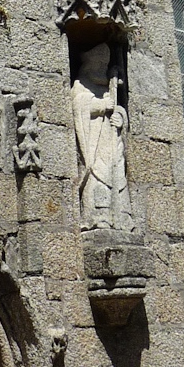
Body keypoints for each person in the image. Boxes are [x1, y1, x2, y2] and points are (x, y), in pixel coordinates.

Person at [72, 42, 132, 231]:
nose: (102, 69)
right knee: (98, 177)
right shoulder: (81, 86)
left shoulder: (110, 88)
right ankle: (99, 217)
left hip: (112, 144)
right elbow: (79, 105)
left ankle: (122, 217)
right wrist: (100, 105)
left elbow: (119, 108)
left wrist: (120, 117)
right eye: (98, 65)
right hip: (95, 144)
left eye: (104, 66)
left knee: (117, 176)